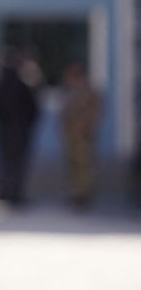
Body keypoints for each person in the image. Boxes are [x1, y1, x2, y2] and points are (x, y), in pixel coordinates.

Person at [0, 50, 40, 206]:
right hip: (19, 132)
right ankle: (14, 193)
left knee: (4, 163)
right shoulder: (23, 86)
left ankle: (4, 192)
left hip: (4, 131)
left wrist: (0, 117)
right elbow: (33, 110)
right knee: (17, 164)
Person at [60, 62, 101, 209]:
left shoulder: (88, 91)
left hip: (83, 135)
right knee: (73, 164)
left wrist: (83, 125)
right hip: (71, 134)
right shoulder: (69, 92)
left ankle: (83, 194)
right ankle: (76, 192)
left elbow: (94, 112)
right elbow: (65, 113)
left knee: (84, 165)